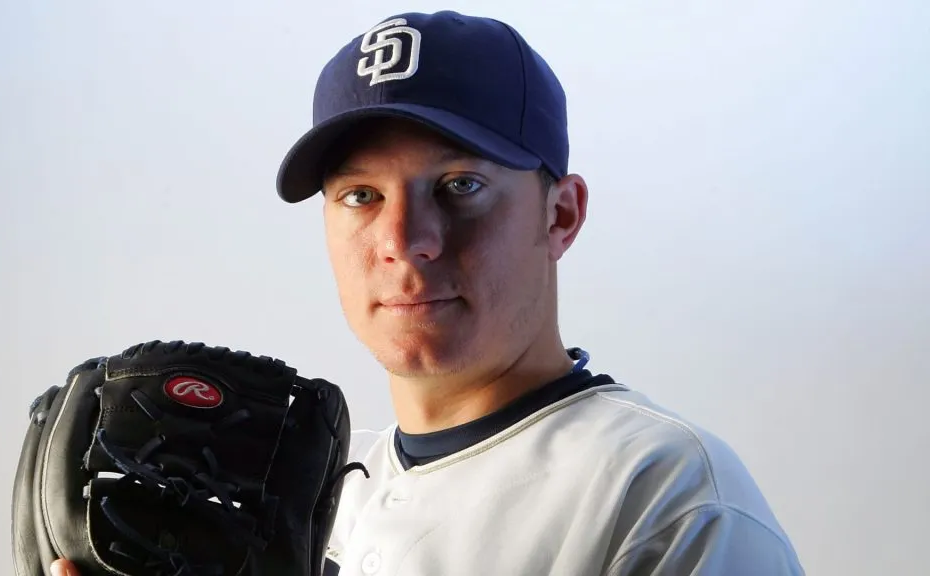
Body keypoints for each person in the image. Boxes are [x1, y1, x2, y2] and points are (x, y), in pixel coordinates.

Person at [50, 10, 805, 576]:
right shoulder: (307, 493)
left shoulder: (663, 491)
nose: (406, 238)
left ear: (562, 213)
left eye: (460, 186)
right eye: (359, 196)